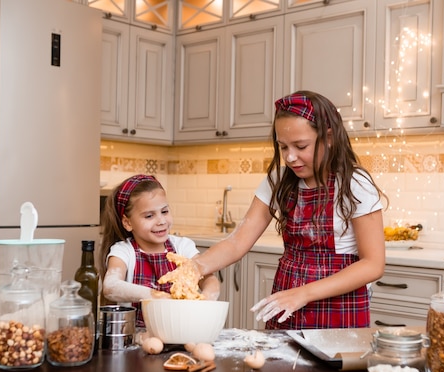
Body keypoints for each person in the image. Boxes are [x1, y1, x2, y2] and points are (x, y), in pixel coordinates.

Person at [192, 90, 387, 330]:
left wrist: (303, 294)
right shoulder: (279, 180)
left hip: (338, 307)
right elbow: (237, 242)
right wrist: (196, 267)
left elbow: (373, 264)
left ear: (329, 138)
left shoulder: (354, 184)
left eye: (300, 146)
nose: (291, 157)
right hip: (287, 302)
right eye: (283, 147)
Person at [99, 174, 220, 328]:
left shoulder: (183, 247)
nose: (161, 221)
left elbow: (210, 281)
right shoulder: (123, 251)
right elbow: (111, 286)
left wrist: (204, 301)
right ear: (128, 222)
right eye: (149, 216)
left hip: (181, 330)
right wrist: (158, 297)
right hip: (138, 338)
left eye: (164, 212)